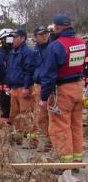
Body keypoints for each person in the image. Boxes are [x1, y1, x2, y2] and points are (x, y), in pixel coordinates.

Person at [39, 14, 86, 163]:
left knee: (60, 126)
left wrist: (44, 97)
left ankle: (64, 163)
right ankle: (77, 160)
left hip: (62, 90)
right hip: (78, 87)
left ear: (56, 27)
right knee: (76, 125)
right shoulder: (81, 43)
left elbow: (49, 74)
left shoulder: (56, 46)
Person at [6, 28, 36, 146]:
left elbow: (29, 71)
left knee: (26, 114)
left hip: (24, 88)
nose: (13, 39)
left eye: (15, 37)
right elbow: (10, 70)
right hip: (14, 87)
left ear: (22, 38)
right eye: (12, 37)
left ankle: (31, 140)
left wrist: (26, 86)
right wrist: (8, 85)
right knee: (14, 114)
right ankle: (17, 138)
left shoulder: (28, 52)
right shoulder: (13, 52)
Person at [32, 27, 51, 151]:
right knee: (42, 117)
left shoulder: (52, 47)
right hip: (38, 84)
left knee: (52, 116)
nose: (44, 36)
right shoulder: (36, 50)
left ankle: (52, 143)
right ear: (35, 37)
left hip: (49, 85)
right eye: (41, 34)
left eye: (46, 34)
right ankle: (47, 142)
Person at [0, 29, 14, 123]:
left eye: (11, 38)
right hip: (2, 83)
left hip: (15, 83)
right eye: (7, 38)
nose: (9, 40)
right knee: (4, 104)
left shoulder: (16, 51)